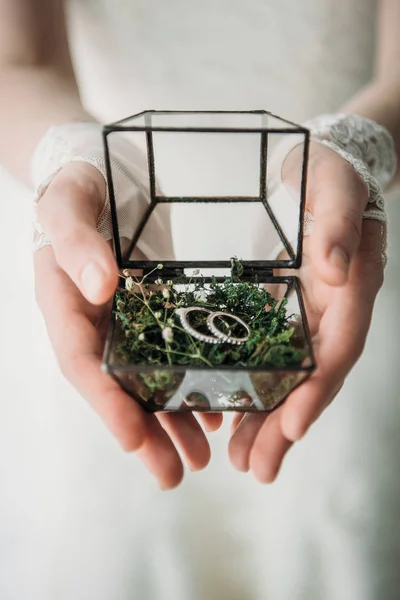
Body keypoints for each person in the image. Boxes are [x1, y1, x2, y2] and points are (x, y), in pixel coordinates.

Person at [0, 1, 399, 598]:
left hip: (324, 240)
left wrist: (355, 145)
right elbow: (15, 64)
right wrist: (74, 157)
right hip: (102, 238)